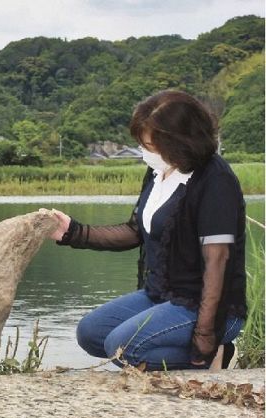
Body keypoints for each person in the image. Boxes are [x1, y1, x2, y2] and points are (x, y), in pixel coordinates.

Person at [49, 90, 246, 370]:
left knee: (122, 348)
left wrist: (206, 334)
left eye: (150, 146)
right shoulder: (159, 172)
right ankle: (189, 350)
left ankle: (217, 355)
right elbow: (135, 230)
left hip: (207, 305)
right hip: (161, 294)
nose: (145, 152)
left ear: (180, 142)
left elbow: (218, 261)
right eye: (143, 144)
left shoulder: (215, 180)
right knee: (91, 333)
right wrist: (74, 232)